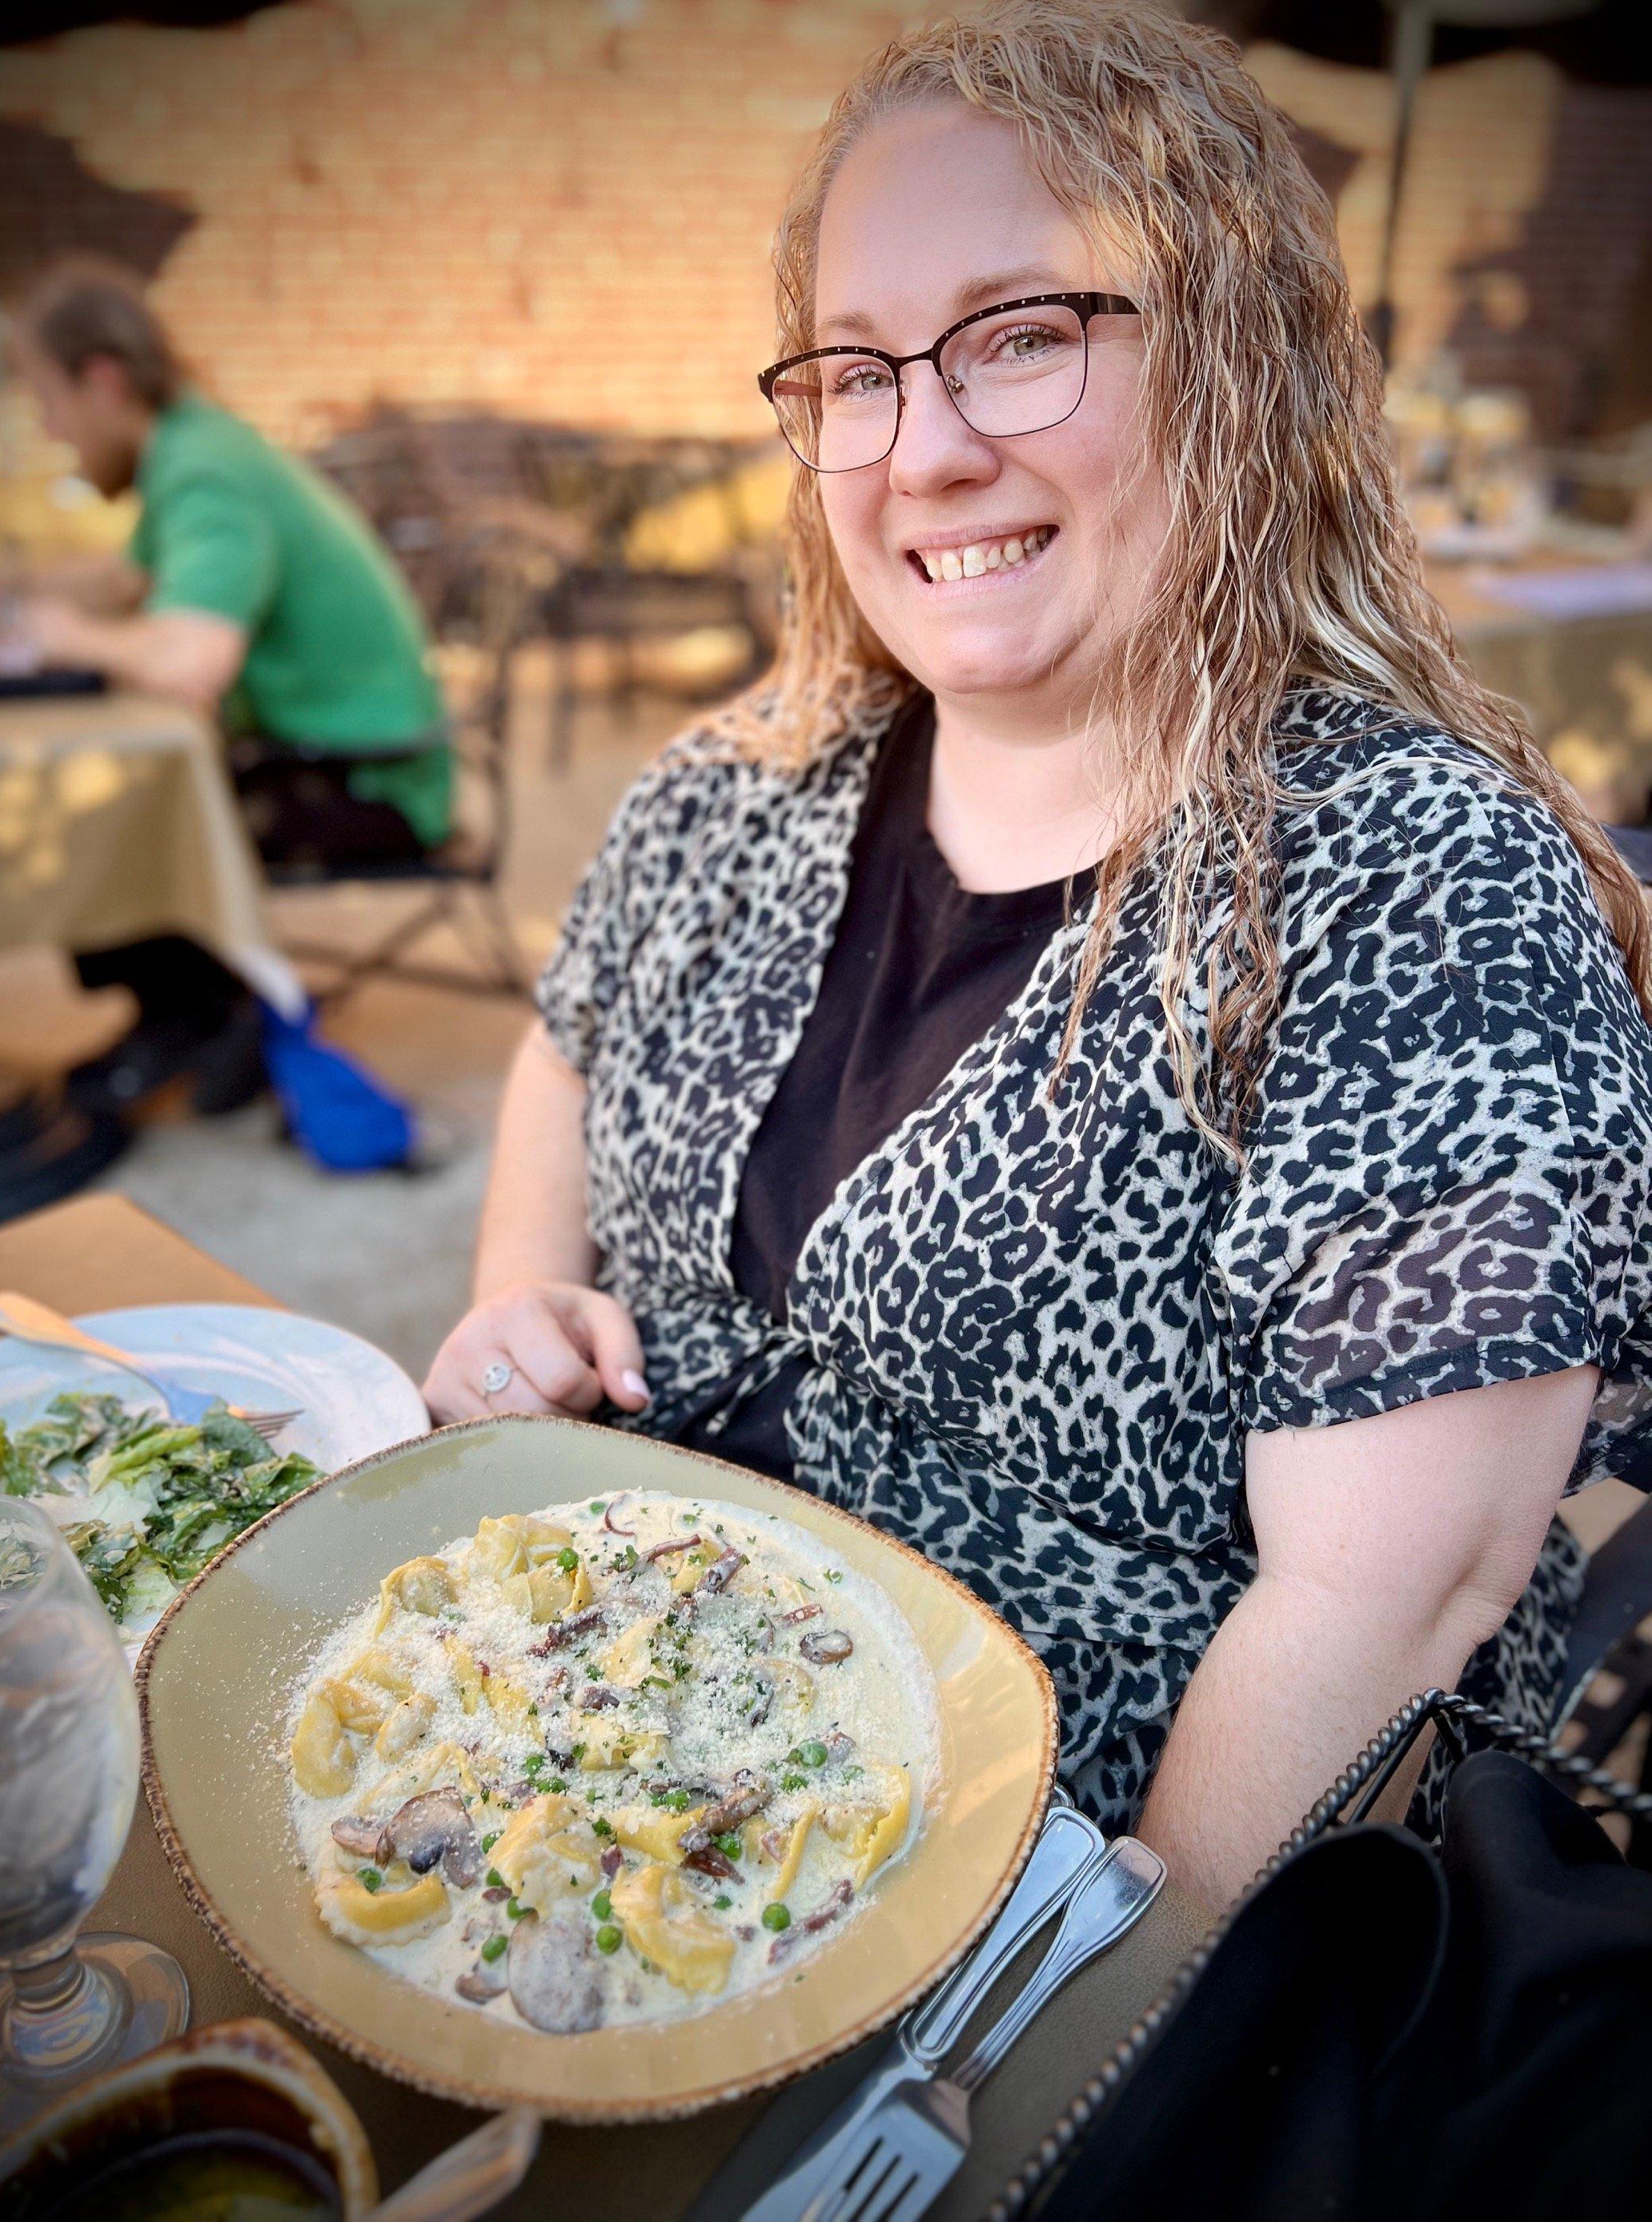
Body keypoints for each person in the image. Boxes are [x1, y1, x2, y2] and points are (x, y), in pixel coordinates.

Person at [423, 0, 1652, 1911]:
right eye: (853, 369)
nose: (919, 449)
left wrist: (1047, 2051)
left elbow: (1391, 1601)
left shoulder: (1411, 880)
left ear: (1240, 366)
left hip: (1049, 1889)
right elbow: (563, 1043)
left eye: (1015, 338)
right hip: (610, 1756)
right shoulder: (740, 779)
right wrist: (523, 1303)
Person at [5, 258, 453, 1113]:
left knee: (103, 803)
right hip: (345, 755)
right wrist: (29, 598)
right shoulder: (193, 446)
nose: (52, 428)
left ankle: (195, 1021)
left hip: (373, 779)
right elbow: (131, 583)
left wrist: (63, 635)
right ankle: (197, 1012)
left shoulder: (201, 469)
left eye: (48, 400)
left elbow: (189, 661)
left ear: (101, 380)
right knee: (131, 786)